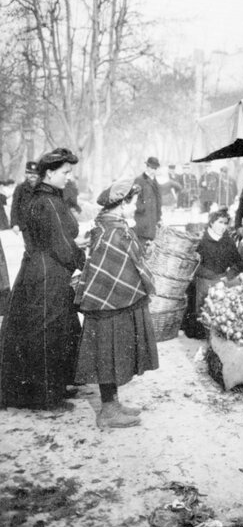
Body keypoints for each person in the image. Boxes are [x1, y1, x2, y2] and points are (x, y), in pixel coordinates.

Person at [0, 148, 88, 411]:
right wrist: (84, 262)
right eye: (65, 172)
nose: (69, 177)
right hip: (47, 275)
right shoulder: (48, 202)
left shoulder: (47, 198)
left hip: (42, 271)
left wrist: (75, 246)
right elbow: (61, 246)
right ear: (49, 173)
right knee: (46, 334)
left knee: (57, 329)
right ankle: (44, 398)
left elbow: (57, 238)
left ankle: (57, 386)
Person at [73, 178, 159, 428]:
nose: (135, 207)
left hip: (108, 300)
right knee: (108, 352)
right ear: (122, 204)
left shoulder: (109, 225)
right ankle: (107, 412)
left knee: (111, 351)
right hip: (110, 302)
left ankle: (113, 403)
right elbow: (122, 264)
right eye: (132, 203)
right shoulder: (114, 230)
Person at [189, 208, 240, 339]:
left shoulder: (228, 241)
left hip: (222, 280)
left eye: (225, 223)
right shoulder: (201, 241)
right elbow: (193, 264)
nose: (223, 226)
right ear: (211, 223)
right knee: (203, 310)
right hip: (204, 280)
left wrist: (229, 276)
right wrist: (210, 275)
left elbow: (237, 262)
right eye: (220, 222)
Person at [133, 156, 163, 243]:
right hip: (142, 220)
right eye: (151, 168)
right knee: (142, 242)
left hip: (153, 219)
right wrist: (143, 208)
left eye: (155, 168)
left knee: (150, 245)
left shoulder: (155, 181)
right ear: (147, 167)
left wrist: (159, 216)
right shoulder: (139, 180)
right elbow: (133, 199)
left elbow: (158, 200)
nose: (153, 170)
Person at [10, 161, 40, 245]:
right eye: (30, 173)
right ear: (26, 174)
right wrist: (14, 223)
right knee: (30, 249)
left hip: (41, 225)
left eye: (35, 173)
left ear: (38, 174)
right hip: (26, 225)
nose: (33, 175)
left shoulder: (43, 188)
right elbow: (15, 206)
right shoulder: (20, 189)